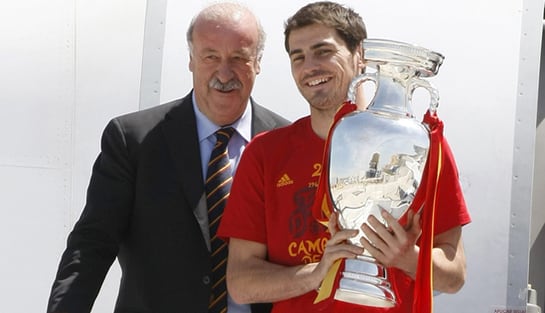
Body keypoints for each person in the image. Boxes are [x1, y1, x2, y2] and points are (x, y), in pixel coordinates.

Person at [217, 1, 471, 313]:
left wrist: (408, 258)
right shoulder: (265, 153)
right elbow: (241, 283)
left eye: (323, 51)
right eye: (298, 57)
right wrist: (318, 273)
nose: (309, 66)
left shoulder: (423, 147)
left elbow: (454, 275)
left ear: (360, 57)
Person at [46, 2, 289, 313]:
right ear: (191, 60)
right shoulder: (134, 139)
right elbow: (92, 244)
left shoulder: (285, 144)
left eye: (239, 58)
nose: (224, 73)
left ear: (258, 63)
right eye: (210, 56)